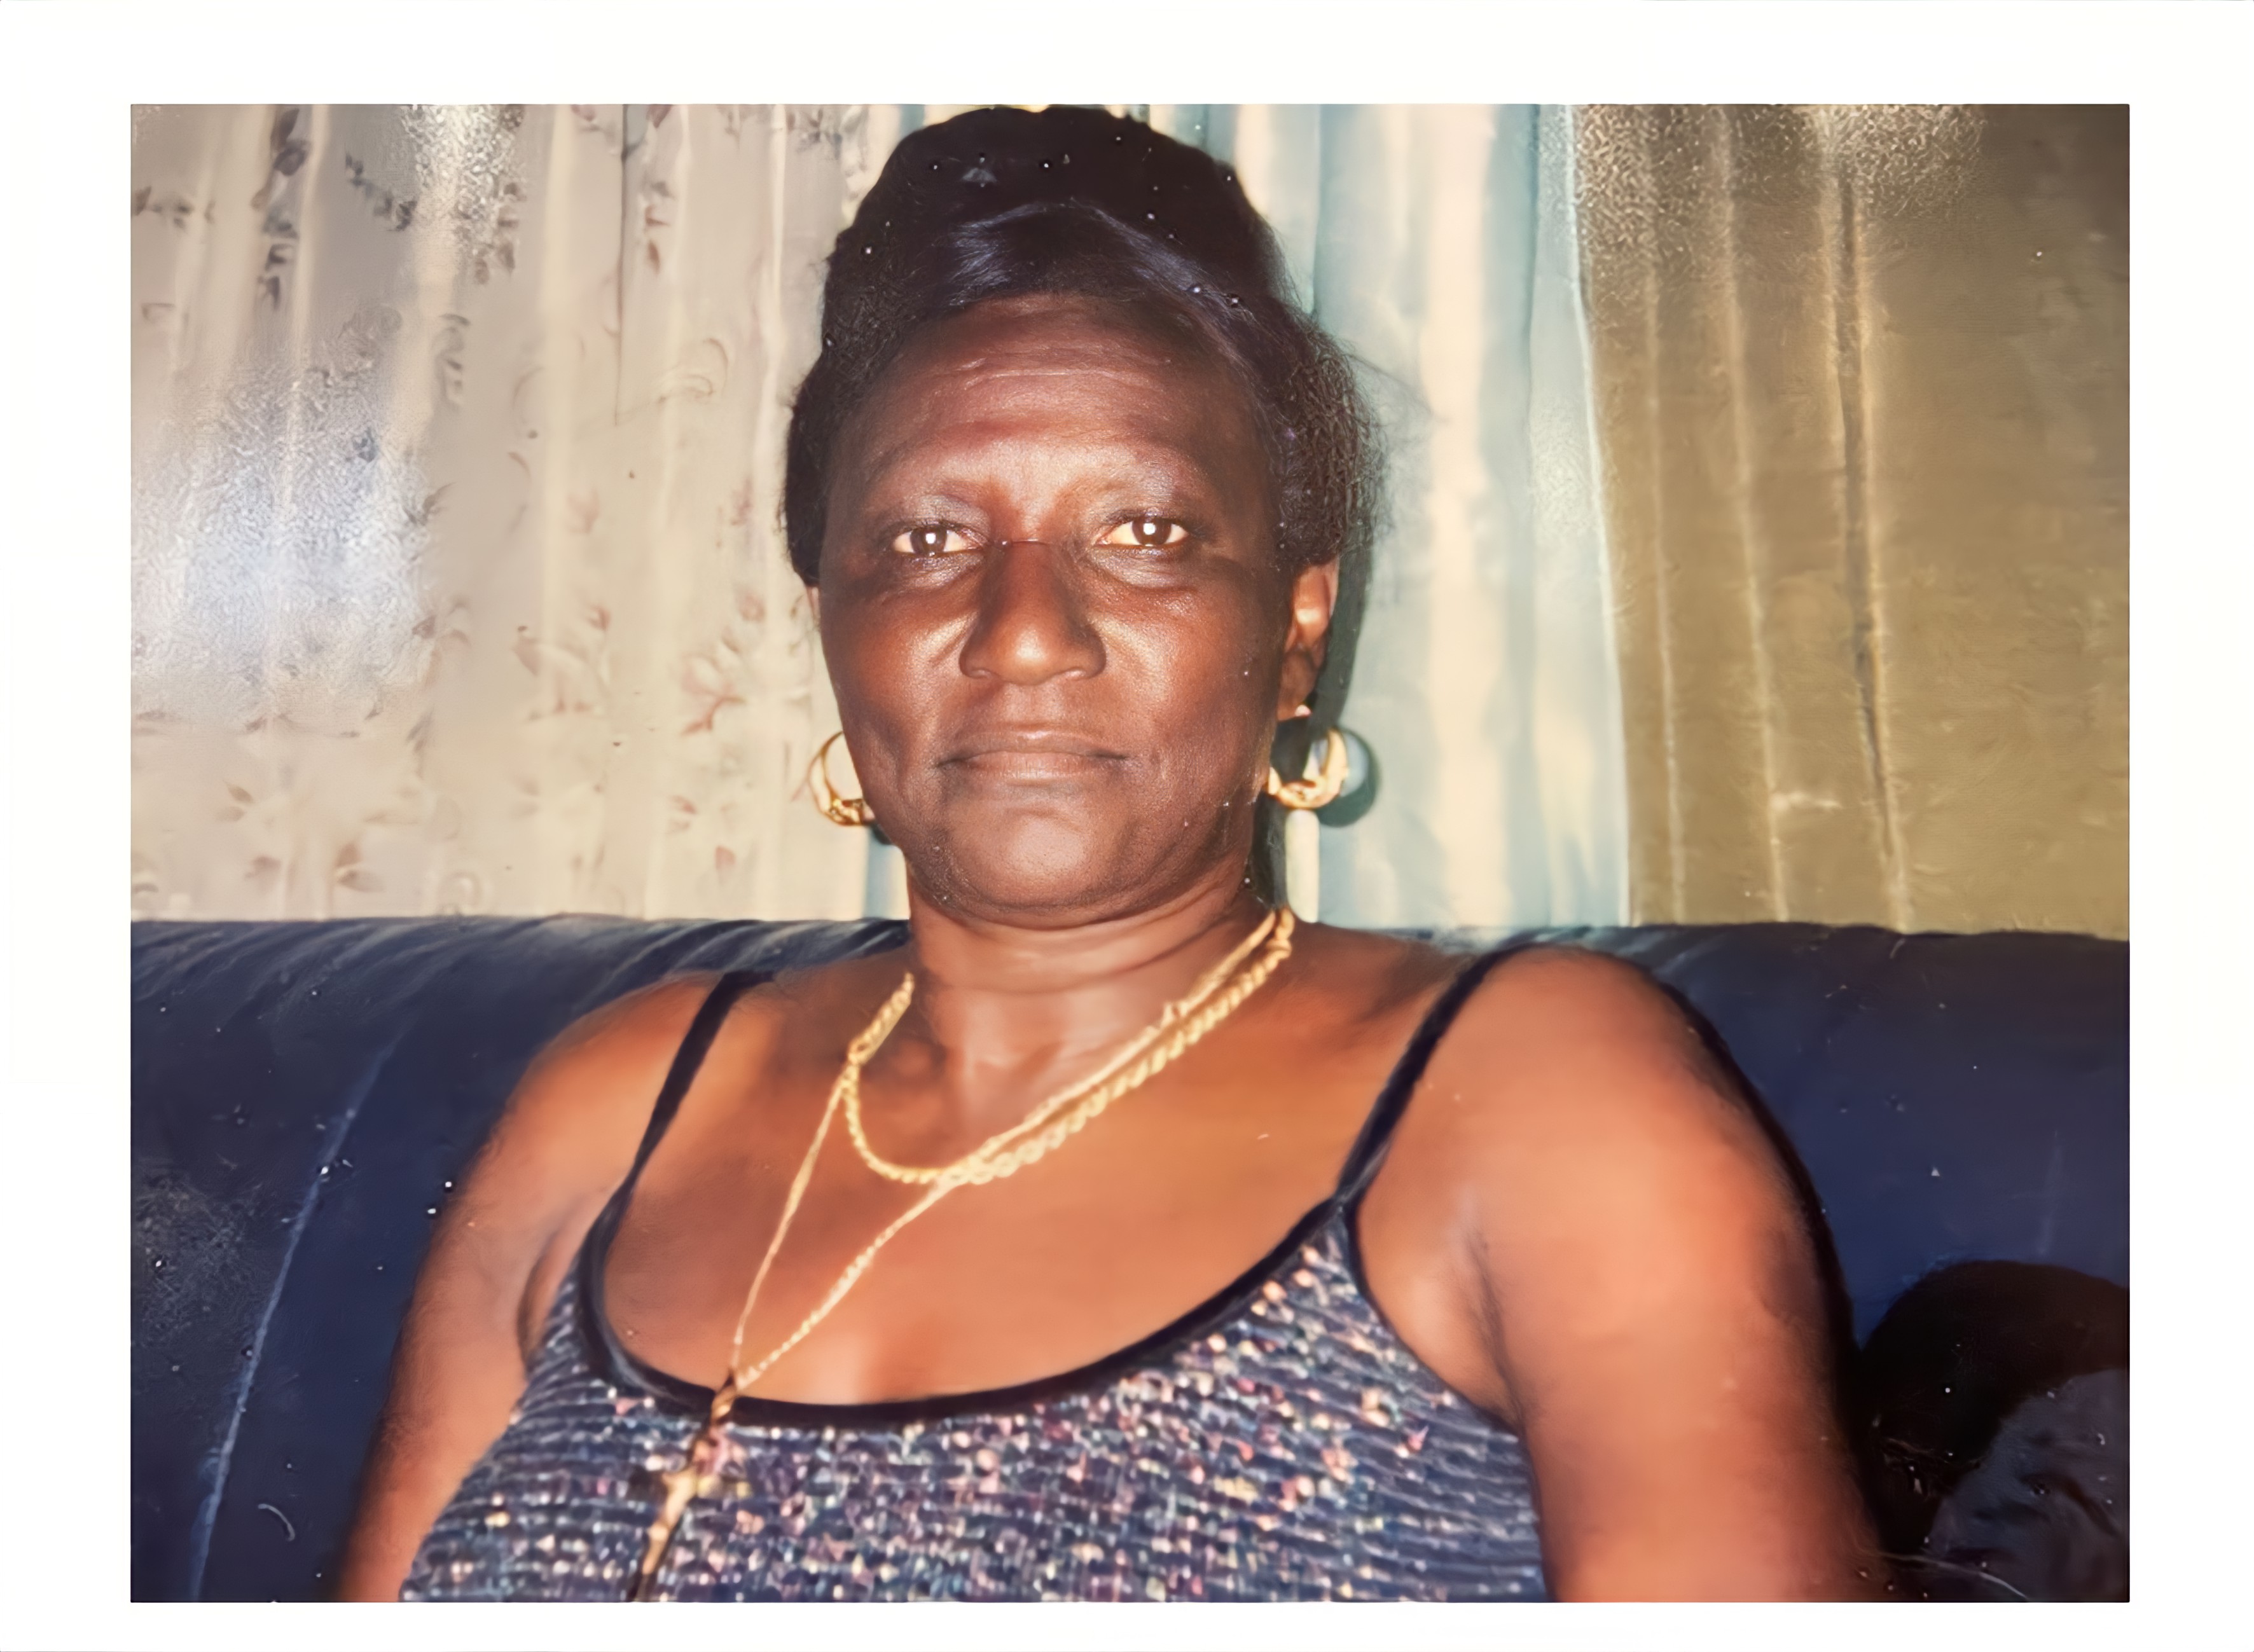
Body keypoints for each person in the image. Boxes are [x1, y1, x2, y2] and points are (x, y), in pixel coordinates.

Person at [337, 104, 1881, 1603]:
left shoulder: (1529, 1095)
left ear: (1296, 625)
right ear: (831, 624)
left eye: (1143, 533)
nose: (1021, 636)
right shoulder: (618, 1105)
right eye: (927, 540)